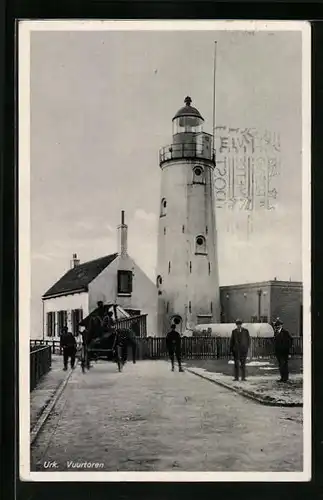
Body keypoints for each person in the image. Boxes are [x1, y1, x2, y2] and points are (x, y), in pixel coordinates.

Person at [273, 318, 293, 382]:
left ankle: (285, 378)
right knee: (280, 365)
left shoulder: (285, 332)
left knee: (284, 365)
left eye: (278, 325)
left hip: (284, 352)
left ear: (281, 325)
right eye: (276, 325)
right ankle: (282, 377)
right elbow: (275, 343)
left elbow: (290, 341)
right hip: (278, 352)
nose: (277, 326)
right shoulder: (276, 333)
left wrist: (287, 348)